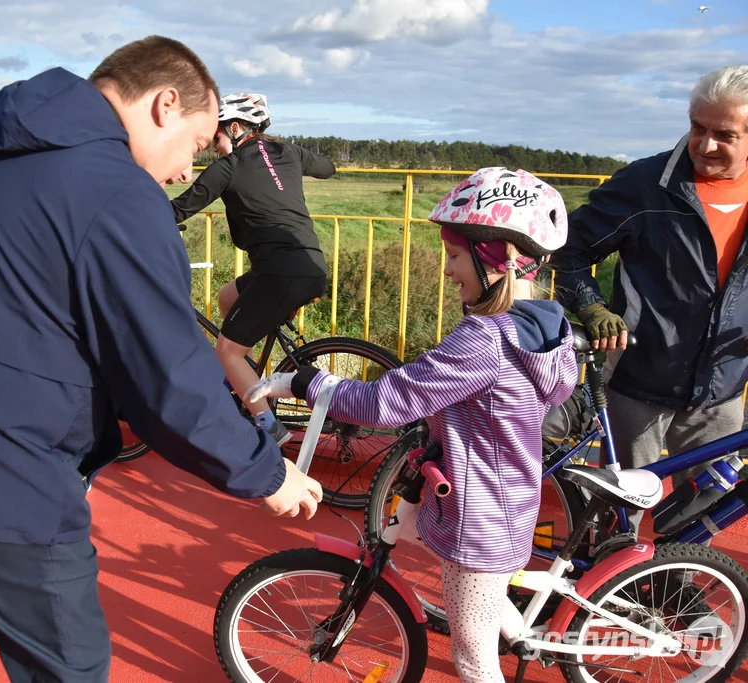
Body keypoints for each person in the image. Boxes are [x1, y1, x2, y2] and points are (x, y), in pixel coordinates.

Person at [0, 36, 322, 683]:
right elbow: (172, 383)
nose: (185, 171)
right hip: (1, 479)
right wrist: (267, 472)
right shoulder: (119, 194)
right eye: (197, 146)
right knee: (69, 664)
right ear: (164, 104)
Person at [248, 167, 579, 683]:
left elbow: (384, 402)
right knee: (469, 585)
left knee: (473, 661)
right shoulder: (543, 328)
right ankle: (516, 630)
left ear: (498, 259)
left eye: (453, 255)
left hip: (481, 519)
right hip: (501, 499)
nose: (447, 270)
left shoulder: (486, 340)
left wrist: (302, 382)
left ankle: (504, 631)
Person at [551, 64, 748, 535]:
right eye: (698, 128)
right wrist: (590, 305)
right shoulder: (645, 185)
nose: (706, 145)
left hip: (721, 391)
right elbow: (570, 247)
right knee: (621, 513)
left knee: (702, 511)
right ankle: (598, 599)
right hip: (639, 380)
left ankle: (667, 597)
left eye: (725, 134)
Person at [171, 93, 336, 445]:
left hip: (278, 274)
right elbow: (328, 168)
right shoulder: (289, 151)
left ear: (234, 128)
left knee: (227, 350)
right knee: (227, 298)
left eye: (216, 138)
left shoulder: (228, 168)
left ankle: (268, 426)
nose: (215, 147)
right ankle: (247, 381)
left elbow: (180, 208)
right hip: (308, 265)